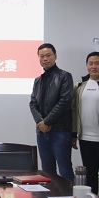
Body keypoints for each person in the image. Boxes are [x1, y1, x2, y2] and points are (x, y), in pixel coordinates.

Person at [29, 43, 74, 181]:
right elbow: (32, 103)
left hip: (60, 131)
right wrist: (40, 122)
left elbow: (65, 102)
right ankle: (49, 196)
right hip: (42, 133)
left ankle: (69, 196)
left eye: (48, 55)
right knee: (47, 172)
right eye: (41, 56)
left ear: (55, 56)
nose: (45, 59)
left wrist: (47, 122)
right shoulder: (38, 80)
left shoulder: (65, 76)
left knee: (65, 170)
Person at [72, 51, 99, 194]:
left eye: (97, 63)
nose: (94, 66)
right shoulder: (79, 86)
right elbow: (74, 111)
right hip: (85, 138)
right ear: (87, 66)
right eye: (90, 63)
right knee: (90, 175)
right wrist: (74, 134)